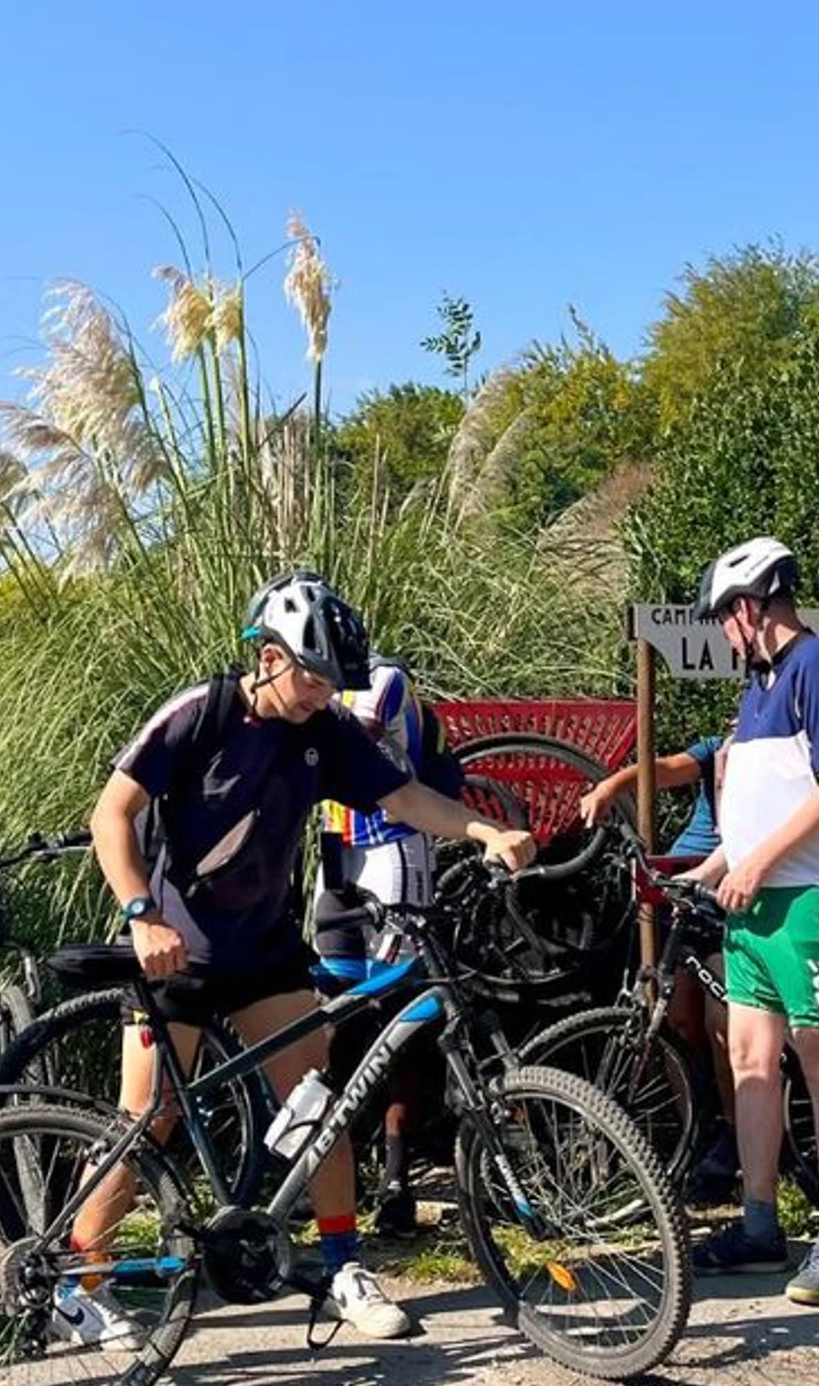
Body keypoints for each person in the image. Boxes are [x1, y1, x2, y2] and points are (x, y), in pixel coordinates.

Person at [74, 570, 535, 1342]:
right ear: (268, 656)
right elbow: (111, 814)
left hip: (264, 952)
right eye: (312, 678)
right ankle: (78, 1283)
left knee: (320, 1105)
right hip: (174, 953)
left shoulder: (325, 730)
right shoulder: (199, 713)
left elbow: (402, 797)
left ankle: (343, 1266)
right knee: (145, 1121)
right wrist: (141, 915)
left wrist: (483, 830)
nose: (322, 694)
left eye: (331, 683)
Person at [679, 538, 819, 1307]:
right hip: (750, 902)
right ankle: (760, 1223)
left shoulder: (816, 665)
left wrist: (756, 865)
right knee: (750, 1061)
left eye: (726, 617)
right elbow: (760, 810)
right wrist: (712, 868)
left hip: (807, 898)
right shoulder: (758, 686)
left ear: (754, 605)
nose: (725, 634)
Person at [312, 653, 440, 1237]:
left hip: (393, 851)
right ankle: (330, 1164)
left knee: (398, 1016)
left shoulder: (384, 676)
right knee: (333, 1014)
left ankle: (396, 1179)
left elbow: (353, 740)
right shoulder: (315, 683)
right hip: (336, 856)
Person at [578, 735, 740, 1197]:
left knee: (721, 1022)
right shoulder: (718, 748)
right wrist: (611, 787)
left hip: (734, 901)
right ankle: (695, 1130)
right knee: (675, 1018)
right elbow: (665, 768)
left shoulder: (775, 749)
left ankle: (735, 1137)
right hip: (686, 898)